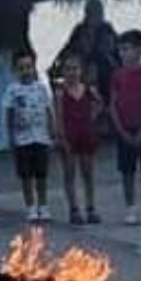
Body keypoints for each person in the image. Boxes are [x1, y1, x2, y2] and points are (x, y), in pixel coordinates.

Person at [108, 31, 141, 226]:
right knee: (127, 171)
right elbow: (113, 104)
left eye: (126, 49)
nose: (122, 53)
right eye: (120, 50)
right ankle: (130, 207)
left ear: (140, 50)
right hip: (124, 127)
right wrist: (120, 129)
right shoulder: (117, 75)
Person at [4, 51, 55, 225]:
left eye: (28, 67)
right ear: (15, 70)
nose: (25, 71)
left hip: (41, 137)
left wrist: (52, 130)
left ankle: (43, 204)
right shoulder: (12, 90)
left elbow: (48, 110)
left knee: (41, 174)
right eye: (21, 68)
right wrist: (10, 136)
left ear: (34, 67)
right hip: (22, 138)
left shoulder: (41, 88)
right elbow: (9, 113)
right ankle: (30, 206)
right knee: (26, 175)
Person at [54, 57, 102, 226]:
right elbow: (58, 115)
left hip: (86, 133)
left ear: (81, 71)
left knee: (88, 172)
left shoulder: (88, 90)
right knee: (70, 172)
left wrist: (92, 117)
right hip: (69, 134)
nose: (72, 73)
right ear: (63, 72)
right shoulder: (60, 92)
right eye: (68, 69)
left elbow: (100, 104)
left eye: (75, 69)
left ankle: (90, 207)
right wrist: (60, 136)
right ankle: (74, 208)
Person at [57, 0, 118, 108]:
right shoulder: (80, 30)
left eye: (99, 12)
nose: (96, 15)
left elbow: (117, 49)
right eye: (93, 12)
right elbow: (68, 48)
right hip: (84, 72)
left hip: (105, 72)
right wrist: (56, 64)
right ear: (87, 13)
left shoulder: (107, 29)